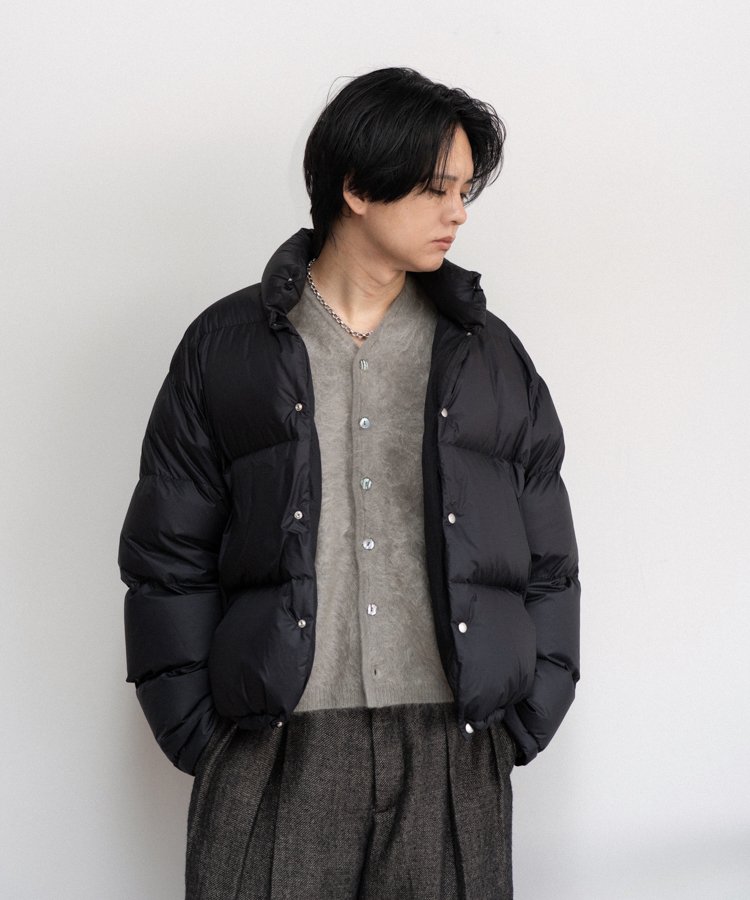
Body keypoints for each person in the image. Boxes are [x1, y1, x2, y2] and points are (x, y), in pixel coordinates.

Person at [118, 66, 580, 900]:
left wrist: (525, 713)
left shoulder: (490, 357)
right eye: (436, 189)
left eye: (464, 190)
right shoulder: (227, 348)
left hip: (451, 746)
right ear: (357, 188)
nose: (458, 213)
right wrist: (202, 733)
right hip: (273, 745)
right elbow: (168, 552)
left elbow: (549, 556)